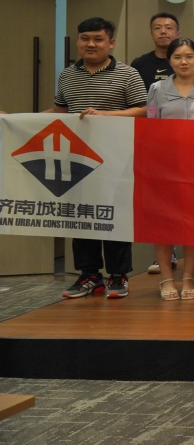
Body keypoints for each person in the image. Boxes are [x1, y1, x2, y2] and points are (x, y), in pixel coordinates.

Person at [52, 18, 148, 300]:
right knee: (81, 215)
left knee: (114, 215)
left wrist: (106, 115)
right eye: (85, 39)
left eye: (97, 39)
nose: (90, 44)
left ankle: (118, 275)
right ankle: (89, 275)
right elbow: (59, 112)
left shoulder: (128, 74)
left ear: (111, 43)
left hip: (117, 158)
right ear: (78, 41)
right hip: (76, 159)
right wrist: (15, 119)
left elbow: (144, 110)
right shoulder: (67, 75)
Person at [144, 37, 194, 301]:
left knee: (192, 224)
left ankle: (188, 277)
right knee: (163, 224)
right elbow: (151, 126)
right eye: (177, 57)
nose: (183, 62)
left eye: (189, 56)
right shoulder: (157, 89)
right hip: (165, 167)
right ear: (169, 60)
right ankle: (166, 279)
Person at [131, 12, 194, 89]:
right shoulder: (139, 64)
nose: (163, 31)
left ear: (178, 34)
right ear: (151, 35)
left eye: (169, 28)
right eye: (157, 28)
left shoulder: (193, 64)